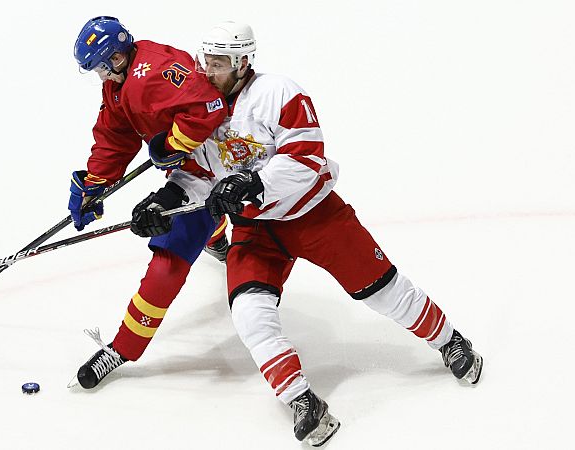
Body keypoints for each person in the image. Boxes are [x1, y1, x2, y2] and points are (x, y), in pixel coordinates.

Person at [130, 22, 484, 447]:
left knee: (383, 291)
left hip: (313, 215)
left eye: (219, 63)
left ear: (244, 62)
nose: (209, 71)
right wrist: (164, 201)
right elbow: (199, 175)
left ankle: (451, 341)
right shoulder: (201, 106)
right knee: (248, 314)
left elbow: (307, 154)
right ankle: (302, 400)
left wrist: (253, 182)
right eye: (207, 60)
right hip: (256, 230)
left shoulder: (278, 92)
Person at [67, 16, 231, 390]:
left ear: (120, 56)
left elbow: (210, 107)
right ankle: (217, 235)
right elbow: (115, 135)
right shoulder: (118, 86)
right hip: (195, 173)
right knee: (184, 230)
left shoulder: (154, 71)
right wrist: (96, 182)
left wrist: (172, 144)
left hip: (231, 165)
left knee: (166, 264)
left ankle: (121, 349)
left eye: (105, 67)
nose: (103, 75)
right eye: (98, 70)